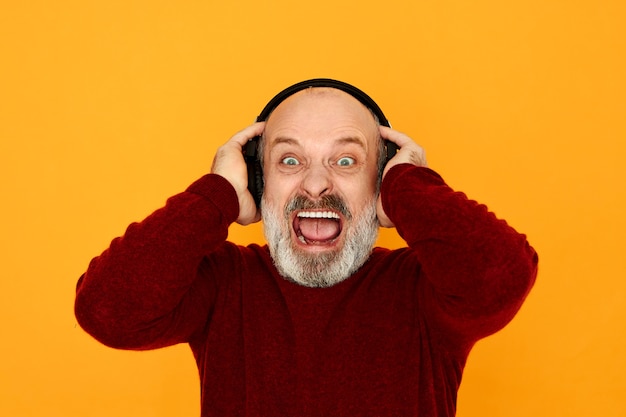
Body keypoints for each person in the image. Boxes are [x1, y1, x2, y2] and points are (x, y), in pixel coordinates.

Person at [75, 78, 538, 416]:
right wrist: (214, 195)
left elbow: (503, 274)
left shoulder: (425, 291)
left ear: (378, 183)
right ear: (258, 182)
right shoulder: (223, 283)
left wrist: (408, 186)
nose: (316, 184)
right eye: (290, 159)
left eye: (345, 160)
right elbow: (107, 311)